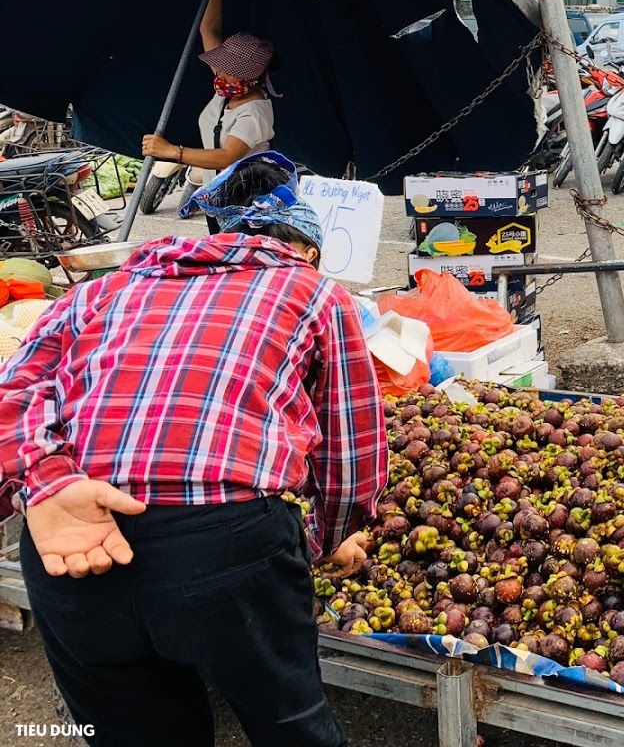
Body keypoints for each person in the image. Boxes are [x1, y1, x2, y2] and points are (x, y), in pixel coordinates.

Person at [0, 152, 384, 747]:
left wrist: (46, 483)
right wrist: (334, 534)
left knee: (135, 734)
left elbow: (15, 392)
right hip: (225, 547)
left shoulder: (102, 289)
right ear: (306, 248)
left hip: (68, 546)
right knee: (290, 726)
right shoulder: (311, 292)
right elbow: (350, 449)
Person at [142, 0, 278, 212]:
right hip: (220, 195)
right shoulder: (228, 89)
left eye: (229, 69)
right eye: (221, 66)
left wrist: (173, 151)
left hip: (248, 204)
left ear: (252, 76)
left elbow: (227, 156)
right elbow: (209, 30)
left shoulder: (255, 111)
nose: (219, 73)